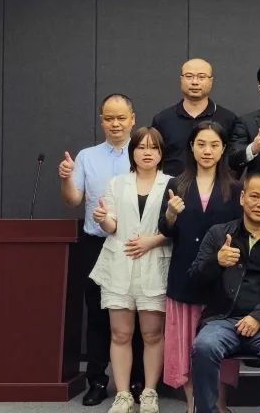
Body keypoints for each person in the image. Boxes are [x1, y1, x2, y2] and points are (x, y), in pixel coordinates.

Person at [189, 171, 260, 413]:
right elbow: (194, 279)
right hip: (223, 319)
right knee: (204, 346)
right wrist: (216, 262)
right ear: (242, 198)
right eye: (254, 196)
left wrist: (258, 317)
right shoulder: (219, 234)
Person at [58, 93, 139, 406]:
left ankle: (136, 380)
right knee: (98, 314)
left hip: (133, 244)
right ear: (101, 121)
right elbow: (72, 200)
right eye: (109, 118)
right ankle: (97, 379)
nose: (115, 124)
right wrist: (66, 178)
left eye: (121, 118)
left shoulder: (143, 152)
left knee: (136, 311)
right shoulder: (87, 156)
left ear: (132, 119)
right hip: (96, 244)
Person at [157, 121, 243, 413]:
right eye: (201, 144)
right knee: (185, 346)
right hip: (184, 276)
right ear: (191, 147)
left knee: (218, 345)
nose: (207, 151)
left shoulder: (235, 187)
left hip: (221, 279)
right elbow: (166, 230)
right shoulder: (176, 184)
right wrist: (171, 214)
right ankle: (193, 405)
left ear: (223, 149)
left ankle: (220, 405)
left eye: (214, 145)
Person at [88, 126, 170, 413]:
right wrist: (102, 219)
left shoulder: (172, 184)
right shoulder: (117, 183)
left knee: (152, 334)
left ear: (161, 153)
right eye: (141, 147)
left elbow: (176, 227)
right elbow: (112, 225)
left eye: (154, 147)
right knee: (120, 333)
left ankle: (149, 392)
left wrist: (152, 241)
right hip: (119, 264)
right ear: (132, 152)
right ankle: (122, 394)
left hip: (155, 263)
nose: (147, 153)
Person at [152, 58, 239, 176]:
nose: (195, 82)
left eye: (201, 77)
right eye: (189, 76)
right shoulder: (162, 120)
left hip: (215, 186)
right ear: (181, 79)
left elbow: (234, 161)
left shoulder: (228, 119)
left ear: (211, 81)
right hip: (171, 185)